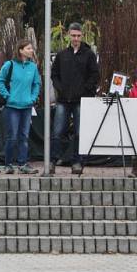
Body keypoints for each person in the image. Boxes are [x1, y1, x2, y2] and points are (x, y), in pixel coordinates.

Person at [49, 23, 100, 175]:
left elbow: (95, 75)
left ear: (82, 36)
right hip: (63, 100)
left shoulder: (89, 54)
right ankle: (52, 161)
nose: (75, 38)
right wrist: (60, 88)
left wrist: (85, 91)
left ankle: (77, 162)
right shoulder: (62, 54)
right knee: (57, 132)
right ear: (69, 36)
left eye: (78, 36)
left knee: (79, 133)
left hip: (80, 100)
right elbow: (54, 74)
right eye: (73, 35)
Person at [0, 40, 41, 175]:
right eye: (28, 48)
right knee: (12, 136)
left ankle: (22, 163)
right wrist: (7, 95)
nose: (31, 50)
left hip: (26, 106)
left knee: (24, 136)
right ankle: (8, 164)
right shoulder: (9, 65)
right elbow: (0, 80)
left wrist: (32, 98)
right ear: (21, 50)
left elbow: (36, 84)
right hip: (12, 107)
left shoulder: (33, 67)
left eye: (31, 48)